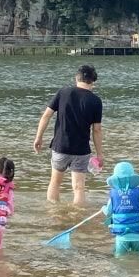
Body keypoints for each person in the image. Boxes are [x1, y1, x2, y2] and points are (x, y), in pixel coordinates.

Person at [33, 65, 104, 205]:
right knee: (79, 187)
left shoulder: (63, 92)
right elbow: (97, 130)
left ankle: (53, 214)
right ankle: (77, 218)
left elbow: (46, 116)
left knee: (55, 182)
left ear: (77, 78)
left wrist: (38, 137)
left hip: (60, 147)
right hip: (81, 150)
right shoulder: (96, 101)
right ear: (93, 81)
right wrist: (99, 154)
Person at [102, 161, 139, 254]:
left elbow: (108, 212)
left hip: (121, 237)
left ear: (115, 180)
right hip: (137, 236)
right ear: (132, 178)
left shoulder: (113, 195)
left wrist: (103, 208)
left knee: (119, 260)